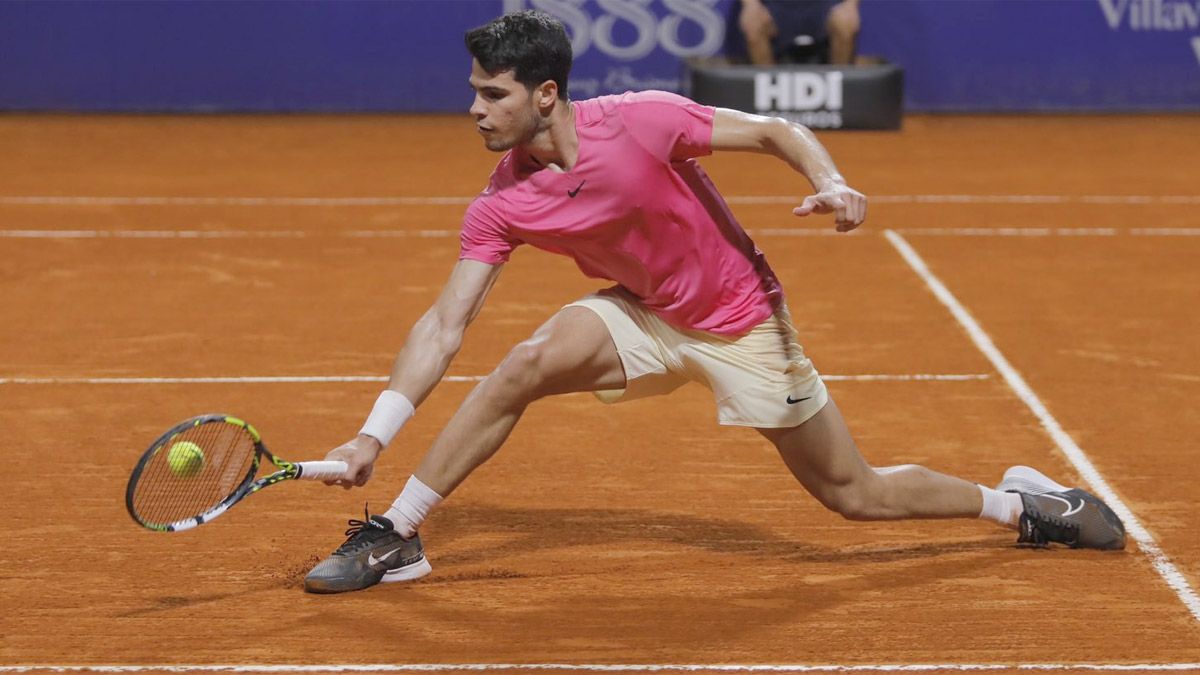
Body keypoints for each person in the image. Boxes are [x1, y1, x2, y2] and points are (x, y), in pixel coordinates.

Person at [302, 10, 1126, 594]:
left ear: (545, 94)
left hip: (740, 320)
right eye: (475, 91)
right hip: (643, 312)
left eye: (492, 94)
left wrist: (832, 181)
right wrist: (375, 432)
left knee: (853, 493)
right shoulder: (501, 201)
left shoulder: (643, 121)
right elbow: (444, 324)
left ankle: (1023, 506)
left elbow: (773, 130)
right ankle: (398, 532)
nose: (473, 109)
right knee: (523, 365)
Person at [736, 0, 860, 65]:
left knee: (845, 22)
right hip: (777, 8)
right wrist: (751, 5)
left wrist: (850, 5)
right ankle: (767, 92)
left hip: (823, 7)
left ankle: (840, 89)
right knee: (753, 23)